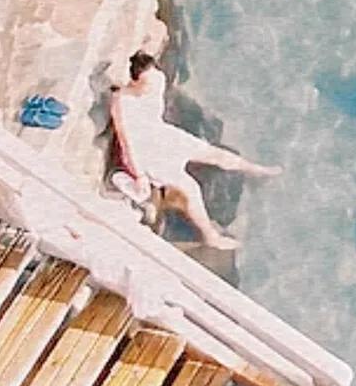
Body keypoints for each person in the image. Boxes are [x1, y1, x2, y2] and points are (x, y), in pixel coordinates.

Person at [109, 51, 280, 250]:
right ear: (134, 81)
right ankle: (211, 237)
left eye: (153, 81)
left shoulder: (158, 79)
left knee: (216, 154)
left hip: (162, 134)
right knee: (191, 188)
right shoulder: (122, 102)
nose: (151, 88)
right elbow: (126, 142)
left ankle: (255, 170)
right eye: (146, 84)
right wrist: (139, 175)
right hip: (145, 151)